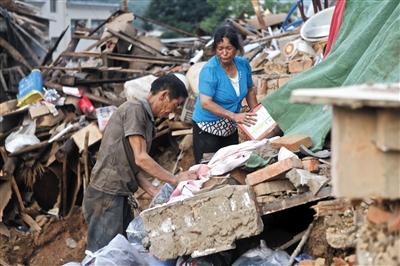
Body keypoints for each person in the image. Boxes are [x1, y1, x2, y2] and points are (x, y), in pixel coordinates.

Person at [83, 73, 198, 252]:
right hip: (106, 195)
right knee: (103, 255)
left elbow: (134, 167)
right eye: (175, 105)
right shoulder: (135, 110)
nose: (172, 112)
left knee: (122, 251)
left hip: (119, 194)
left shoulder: (147, 120)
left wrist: (156, 193)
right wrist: (175, 180)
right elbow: (141, 158)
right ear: (163, 95)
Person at [192, 25, 258, 163]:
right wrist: (234, 116)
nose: (224, 53)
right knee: (209, 171)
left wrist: (256, 113)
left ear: (236, 48)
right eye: (220, 49)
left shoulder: (243, 65)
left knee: (233, 166)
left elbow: (250, 89)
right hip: (208, 130)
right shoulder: (210, 70)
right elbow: (205, 103)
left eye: (228, 48)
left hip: (230, 128)